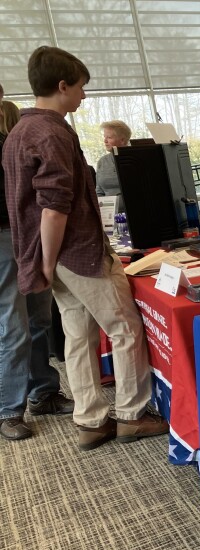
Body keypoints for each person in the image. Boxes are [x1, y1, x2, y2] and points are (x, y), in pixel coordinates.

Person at [2, 46, 167, 450]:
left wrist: (43, 261)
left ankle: (90, 420)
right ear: (62, 86)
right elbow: (54, 207)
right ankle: (132, 415)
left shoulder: (18, 132)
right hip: (77, 252)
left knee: (77, 335)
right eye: (80, 87)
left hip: (55, 257)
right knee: (125, 328)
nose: (84, 96)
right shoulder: (53, 132)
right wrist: (47, 258)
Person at [1, 98, 75, 441]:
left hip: (27, 234)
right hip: (3, 239)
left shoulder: (11, 137)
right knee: (13, 327)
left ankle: (43, 393)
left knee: (40, 318)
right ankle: (9, 410)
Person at [95, 119, 131, 208]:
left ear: (122, 140)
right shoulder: (102, 162)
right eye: (104, 137)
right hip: (108, 213)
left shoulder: (134, 160)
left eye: (109, 137)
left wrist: (113, 204)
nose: (105, 141)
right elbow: (99, 192)